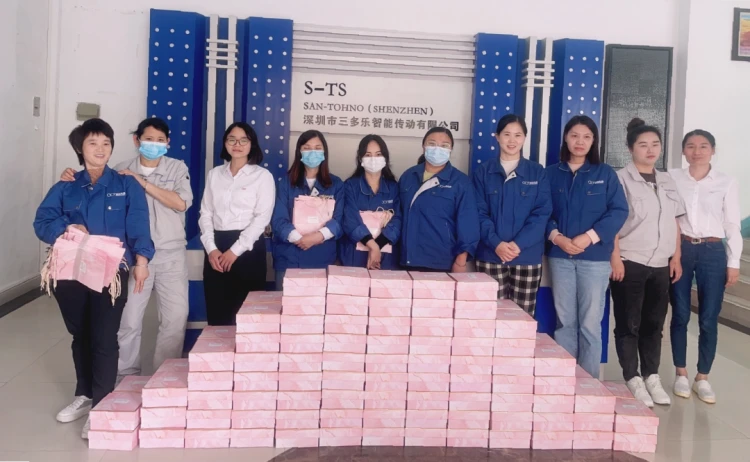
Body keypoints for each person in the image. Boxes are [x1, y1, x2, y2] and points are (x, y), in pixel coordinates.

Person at [34, 118, 154, 439]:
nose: (101, 149)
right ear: (80, 148)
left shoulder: (125, 184)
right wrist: (66, 227)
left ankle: (101, 406)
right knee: (80, 334)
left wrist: (142, 261)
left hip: (111, 270)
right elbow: (42, 221)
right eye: (93, 143)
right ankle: (85, 394)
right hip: (70, 270)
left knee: (104, 336)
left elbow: (138, 223)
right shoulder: (66, 186)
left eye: (106, 143)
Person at [60, 117, 193, 379]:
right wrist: (71, 177)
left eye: (160, 140)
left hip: (170, 254)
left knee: (175, 319)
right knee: (128, 320)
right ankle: (126, 378)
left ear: (168, 143)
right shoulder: (121, 169)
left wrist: (142, 182)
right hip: (131, 256)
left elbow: (180, 203)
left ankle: (163, 378)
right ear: (136, 140)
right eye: (148, 139)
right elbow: (91, 189)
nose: (154, 144)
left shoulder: (177, 168)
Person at [545, 116, 628, 379]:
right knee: (565, 322)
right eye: (574, 135)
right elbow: (541, 212)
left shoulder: (605, 174)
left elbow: (619, 211)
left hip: (594, 259)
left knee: (590, 324)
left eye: (586, 137)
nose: (579, 142)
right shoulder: (550, 174)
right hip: (560, 257)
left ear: (594, 141)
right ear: (565, 138)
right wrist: (556, 237)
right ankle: (564, 380)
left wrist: (589, 237)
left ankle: (588, 384)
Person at [610, 118, 685, 408]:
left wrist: (676, 256)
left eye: (655, 144)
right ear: (631, 148)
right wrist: (615, 257)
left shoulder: (667, 180)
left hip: (661, 264)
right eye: (643, 145)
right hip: (630, 260)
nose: (650, 149)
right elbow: (612, 223)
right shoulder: (620, 179)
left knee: (654, 323)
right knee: (629, 323)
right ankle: (632, 377)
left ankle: (651, 375)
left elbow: (675, 222)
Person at [669, 130, 742, 404]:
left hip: (713, 251)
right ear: (683, 151)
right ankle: (681, 372)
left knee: (709, 317)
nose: (697, 151)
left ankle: (703, 377)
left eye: (703, 146)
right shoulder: (672, 178)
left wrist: (733, 262)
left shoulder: (726, 182)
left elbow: (732, 223)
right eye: (690, 146)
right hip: (682, 249)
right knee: (680, 313)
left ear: (713, 150)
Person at [473, 114, 552, 315]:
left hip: (526, 256)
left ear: (524, 138)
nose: (512, 140)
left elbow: (542, 214)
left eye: (518, 135)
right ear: (497, 137)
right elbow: (478, 213)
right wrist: (496, 244)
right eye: (506, 134)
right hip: (490, 255)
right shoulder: (483, 172)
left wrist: (518, 245)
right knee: (489, 315)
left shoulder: (537, 172)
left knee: (522, 317)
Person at [199, 122, 275, 325]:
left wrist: (235, 251)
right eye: (232, 139)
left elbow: (262, 218)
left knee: (248, 319)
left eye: (243, 140)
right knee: (218, 315)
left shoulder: (262, 176)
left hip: (248, 249)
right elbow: (206, 213)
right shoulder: (214, 174)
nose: (237, 144)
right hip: (216, 248)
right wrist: (211, 249)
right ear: (225, 143)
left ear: (252, 144)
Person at [271, 130, 344, 289]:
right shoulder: (285, 183)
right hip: (289, 258)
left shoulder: (336, 184)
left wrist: (317, 237)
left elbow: (339, 221)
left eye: (318, 148)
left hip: (322, 258)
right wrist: (300, 239)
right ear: (299, 151)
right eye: (307, 147)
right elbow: (278, 220)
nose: (313, 152)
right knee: (286, 303)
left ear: (324, 152)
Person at [399, 127, 479, 272]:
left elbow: (468, 224)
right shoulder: (408, 176)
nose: (437, 149)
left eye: (444, 145)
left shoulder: (460, 182)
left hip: (441, 261)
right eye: (432, 143)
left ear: (451, 149)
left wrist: (461, 261)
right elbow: (398, 215)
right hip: (406, 259)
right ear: (423, 146)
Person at [340, 135, 401, 270]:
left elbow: (398, 220)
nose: (373, 159)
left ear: (385, 158)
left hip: (385, 256)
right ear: (360, 158)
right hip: (354, 255)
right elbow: (350, 220)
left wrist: (377, 246)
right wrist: (372, 246)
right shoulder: (350, 186)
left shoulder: (393, 187)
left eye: (378, 154)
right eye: (368, 155)